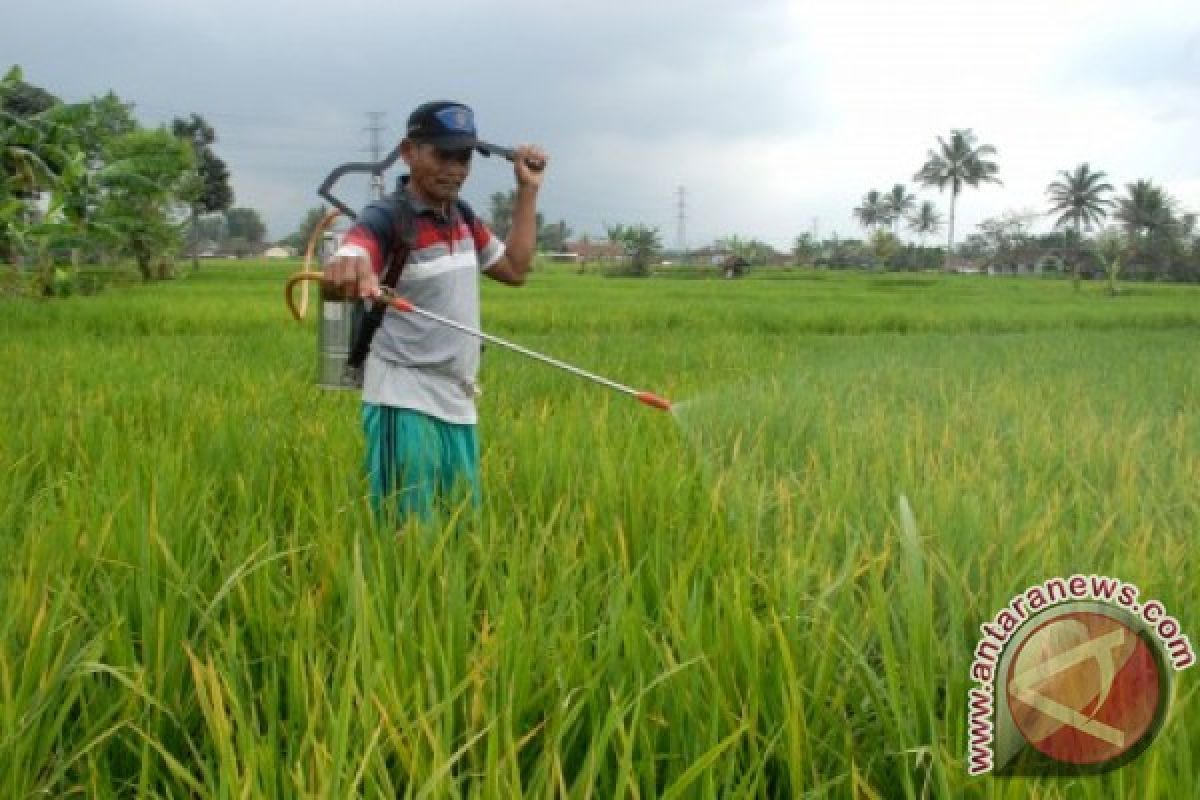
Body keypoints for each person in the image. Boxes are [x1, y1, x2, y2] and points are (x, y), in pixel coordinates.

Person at [322, 100, 547, 524]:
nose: (455, 168)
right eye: (442, 154)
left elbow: (515, 269)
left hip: (458, 400)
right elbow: (359, 244)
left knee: (461, 532)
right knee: (406, 541)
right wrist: (349, 258)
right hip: (403, 401)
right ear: (409, 152)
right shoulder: (387, 216)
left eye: (462, 157)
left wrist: (528, 190)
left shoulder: (461, 217)